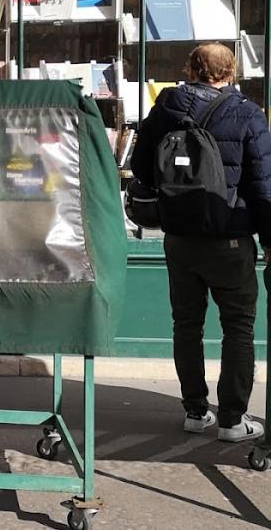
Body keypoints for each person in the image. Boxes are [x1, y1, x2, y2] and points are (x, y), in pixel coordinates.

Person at [131, 43, 271, 443]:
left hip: (179, 237)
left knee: (186, 325)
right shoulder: (247, 113)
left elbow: (142, 167)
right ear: (231, 71)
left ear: (191, 69)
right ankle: (231, 419)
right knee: (238, 327)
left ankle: (195, 410)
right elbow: (263, 185)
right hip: (230, 238)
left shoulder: (166, 107)